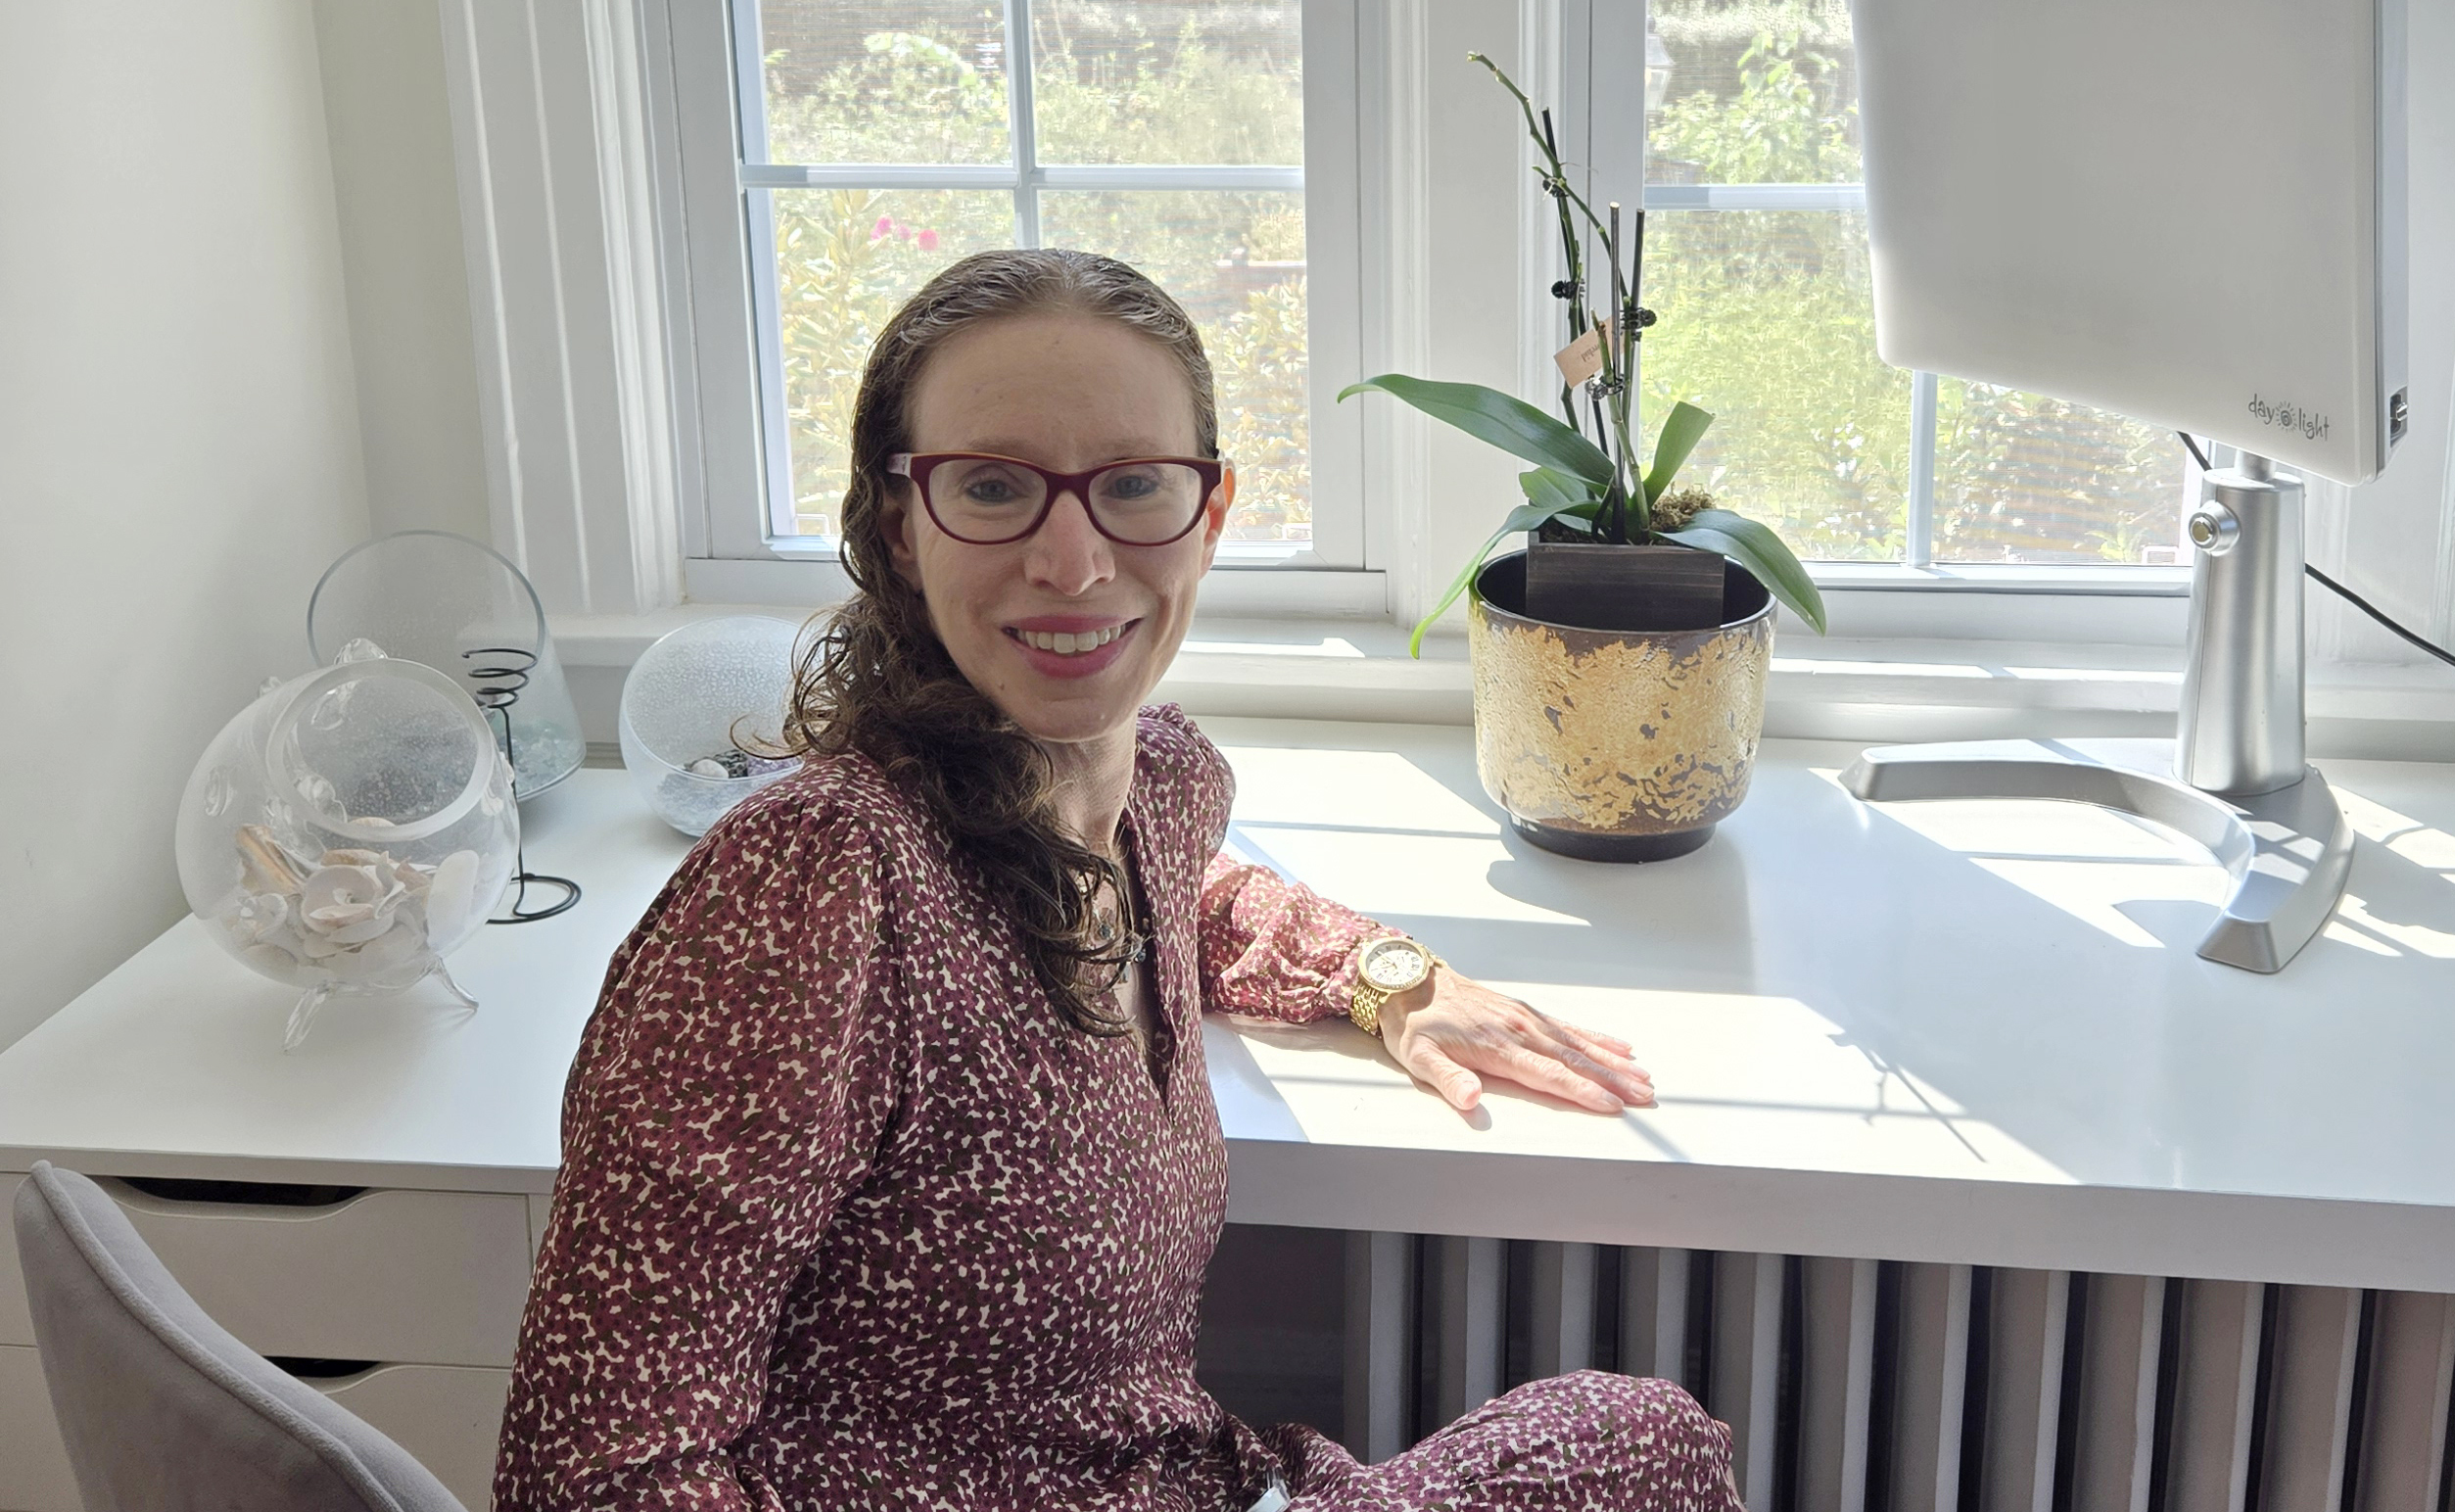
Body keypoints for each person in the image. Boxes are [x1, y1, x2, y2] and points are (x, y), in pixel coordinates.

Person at [495, 249, 1741, 1510]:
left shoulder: (1155, 782)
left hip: (1180, 1480)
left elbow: (1186, 901)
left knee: (1641, 1442)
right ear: (898, 525)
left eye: (1134, 486)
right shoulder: (813, 889)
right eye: (992, 488)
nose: (1075, 563)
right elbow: (594, 1474)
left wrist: (1384, 977)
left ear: (1208, 513)